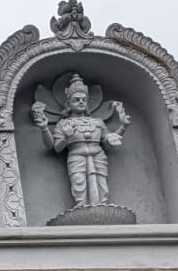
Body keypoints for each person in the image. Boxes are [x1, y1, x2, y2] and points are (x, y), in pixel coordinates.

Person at [33, 74, 127, 207]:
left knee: (101, 184)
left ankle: (102, 203)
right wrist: (51, 131)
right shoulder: (64, 124)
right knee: (78, 181)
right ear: (68, 104)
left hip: (99, 156)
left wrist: (123, 127)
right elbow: (56, 148)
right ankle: (81, 204)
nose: (81, 102)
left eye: (84, 99)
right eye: (76, 100)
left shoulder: (97, 122)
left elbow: (109, 142)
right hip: (76, 157)